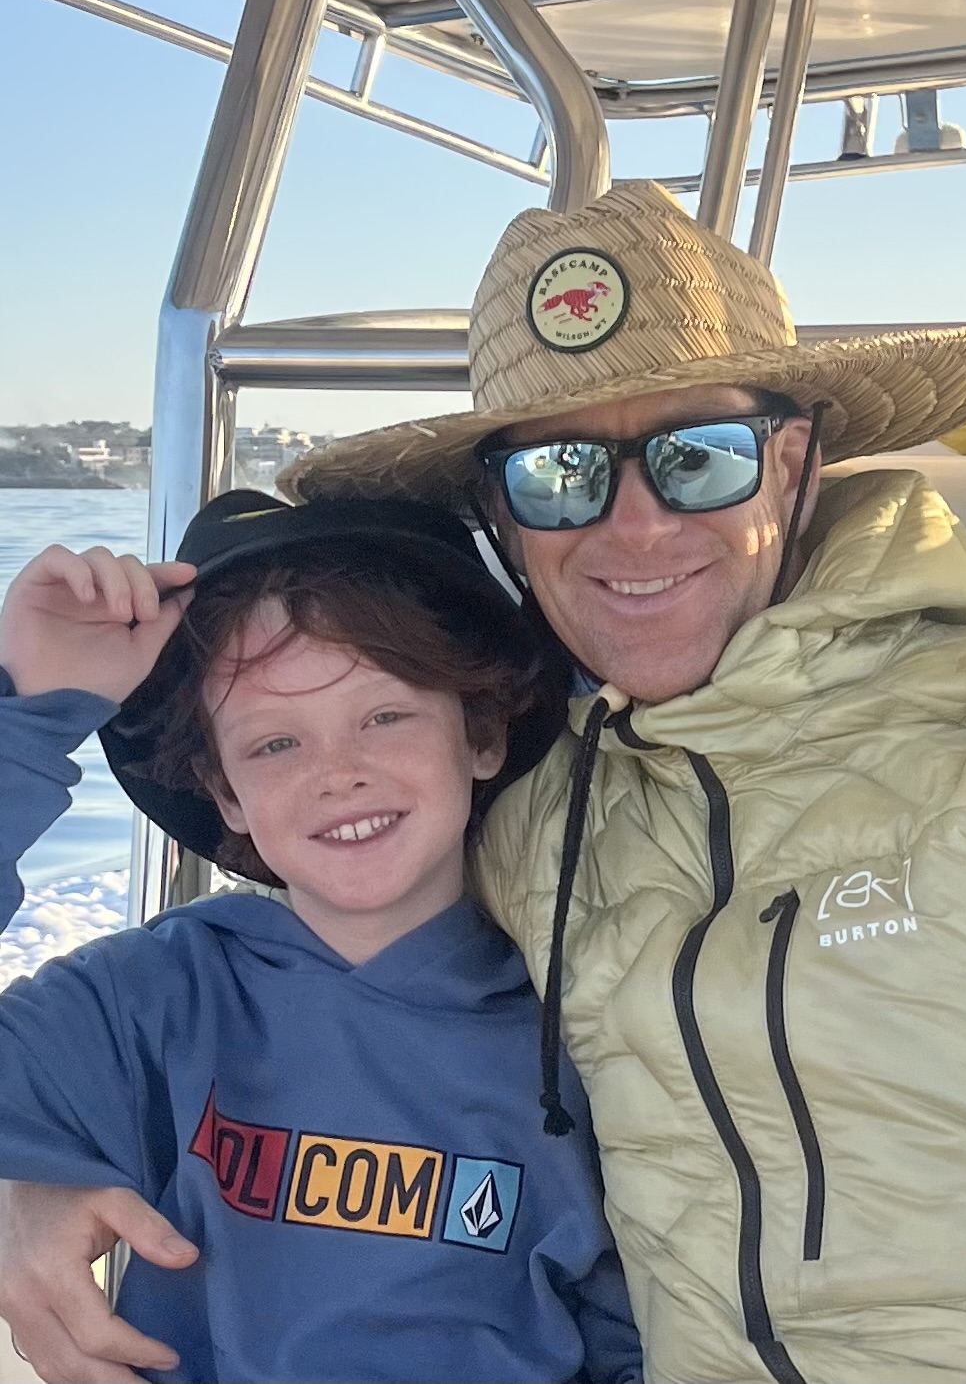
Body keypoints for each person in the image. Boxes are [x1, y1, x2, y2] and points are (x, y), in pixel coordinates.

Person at [1, 180, 966, 1384]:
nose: (635, 526)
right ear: (503, 517)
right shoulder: (538, 827)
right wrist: (38, 1160)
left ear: (792, 459)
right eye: (558, 474)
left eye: (695, 457)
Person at [0, 490, 640, 1384]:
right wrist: (33, 712)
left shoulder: (595, 1029)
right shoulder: (158, 998)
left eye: (384, 716)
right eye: (274, 745)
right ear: (224, 793)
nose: (339, 774)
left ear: (482, 732)